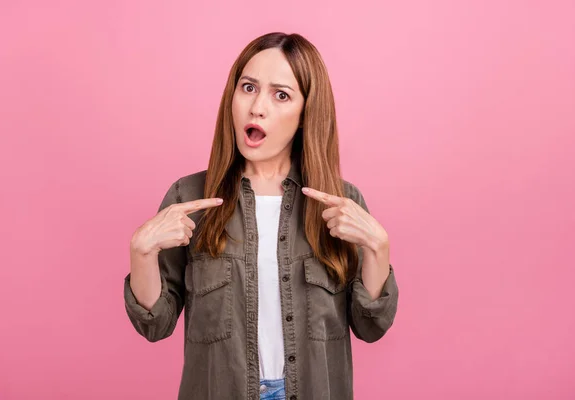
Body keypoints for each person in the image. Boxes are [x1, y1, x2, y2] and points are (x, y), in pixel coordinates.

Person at [123, 32, 399, 400]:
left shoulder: (341, 204)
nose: (257, 107)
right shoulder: (188, 199)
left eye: (280, 94)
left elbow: (371, 325)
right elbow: (155, 324)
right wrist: (141, 253)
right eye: (248, 87)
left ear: (304, 114)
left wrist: (379, 248)